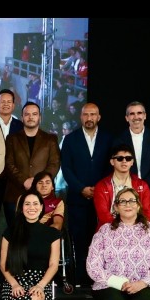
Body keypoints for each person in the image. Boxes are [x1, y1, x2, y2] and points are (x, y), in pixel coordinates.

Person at [0, 191, 61, 300]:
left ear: (41, 208)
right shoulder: (10, 232)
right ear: (21, 208)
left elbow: (53, 265)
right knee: (21, 298)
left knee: (34, 298)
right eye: (27, 204)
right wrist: (14, 283)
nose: (31, 207)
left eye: (35, 204)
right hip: (15, 279)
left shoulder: (52, 234)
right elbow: (3, 264)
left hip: (42, 281)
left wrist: (41, 285)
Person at [60, 102, 113, 286]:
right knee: (79, 240)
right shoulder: (70, 139)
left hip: (103, 198)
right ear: (81, 117)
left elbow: (110, 167)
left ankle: (99, 278)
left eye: (93, 114)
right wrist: (81, 188)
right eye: (86, 114)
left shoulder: (108, 139)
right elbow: (66, 168)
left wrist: (98, 189)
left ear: (99, 117)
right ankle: (81, 279)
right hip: (78, 198)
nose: (89, 118)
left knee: (100, 239)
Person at [3, 102, 61, 228]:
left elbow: (54, 163)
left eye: (34, 114)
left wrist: (38, 181)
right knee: (16, 234)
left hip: (44, 196)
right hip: (15, 195)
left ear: (40, 117)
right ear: (22, 117)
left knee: (41, 235)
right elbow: (8, 163)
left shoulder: (50, 139)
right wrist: (24, 181)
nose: (30, 117)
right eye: (27, 114)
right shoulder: (12, 138)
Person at [112, 101, 150, 223]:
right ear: (126, 118)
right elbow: (119, 165)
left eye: (139, 113)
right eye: (132, 114)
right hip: (126, 194)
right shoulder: (118, 139)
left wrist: (143, 186)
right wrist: (133, 185)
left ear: (145, 115)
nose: (136, 117)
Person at [93, 143, 150, 231]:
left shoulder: (142, 185)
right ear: (112, 162)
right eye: (120, 158)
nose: (124, 161)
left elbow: (149, 213)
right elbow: (103, 215)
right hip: (110, 230)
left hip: (138, 231)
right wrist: (122, 230)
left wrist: (135, 230)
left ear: (132, 162)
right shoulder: (101, 186)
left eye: (128, 158)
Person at [0, 89, 24, 236]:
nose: (6, 104)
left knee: (15, 222)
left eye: (9, 102)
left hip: (14, 181)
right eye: (3, 102)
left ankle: (15, 250)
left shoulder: (21, 126)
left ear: (14, 105)